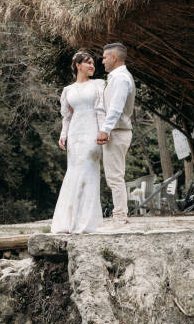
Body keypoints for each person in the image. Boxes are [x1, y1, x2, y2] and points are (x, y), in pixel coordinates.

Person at [50, 51, 105, 233]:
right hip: (75, 134)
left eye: (93, 63)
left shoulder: (97, 84)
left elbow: (100, 110)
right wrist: (63, 134)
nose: (92, 66)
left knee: (88, 172)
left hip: (92, 133)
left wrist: (103, 131)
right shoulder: (68, 90)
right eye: (88, 63)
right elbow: (67, 117)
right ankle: (68, 221)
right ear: (77, 65)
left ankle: (86, 223)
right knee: (73, 173)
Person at [96, 43, 135, 225]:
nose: (102, 61)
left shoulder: (120, 78)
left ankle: (120, 215)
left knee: (114, 175)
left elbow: (116, 107)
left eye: (104, 57)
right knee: (115, 174)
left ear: (113, 58)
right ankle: (120, 214)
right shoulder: (117, 77)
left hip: (117, 131)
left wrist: (105, 129)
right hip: (118, 131)